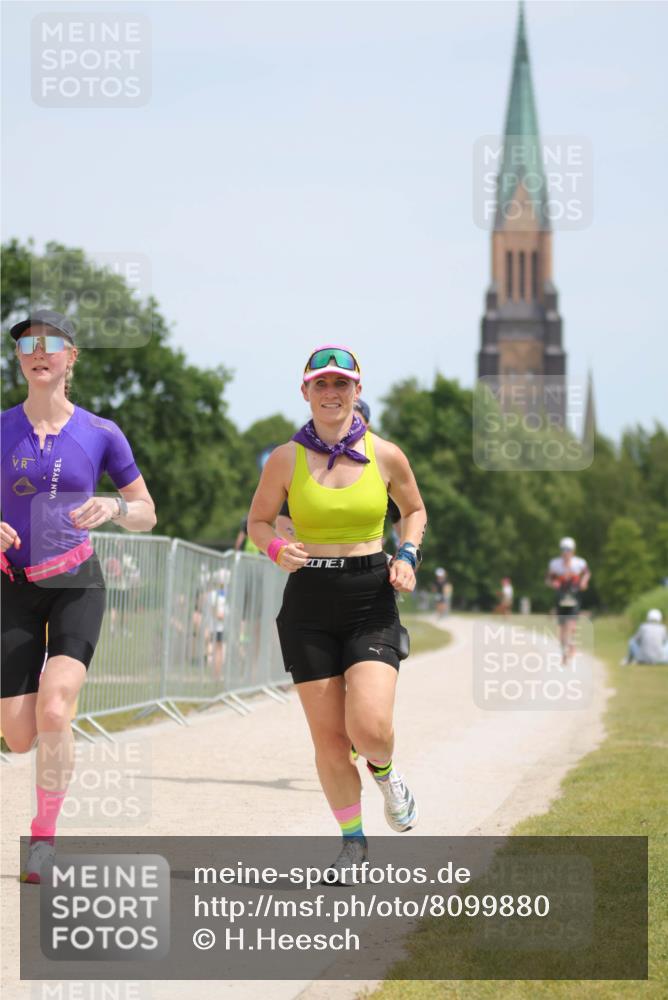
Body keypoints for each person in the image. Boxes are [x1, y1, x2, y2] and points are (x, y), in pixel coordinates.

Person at [247, 346, 427, 883]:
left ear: (356, 390)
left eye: (341, 384)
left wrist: (408, 556)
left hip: (370, 595)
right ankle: (353, 844)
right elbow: (259, 521)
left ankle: (387, 775)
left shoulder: (386, 454)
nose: (332, 393)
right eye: (321, 384)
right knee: (328, 742)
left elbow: (414, 510)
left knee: (369, 729)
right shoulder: (285, 459)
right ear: (306, 392)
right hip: (308, 603)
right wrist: (277, 550)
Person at [1, 310, 156, 883]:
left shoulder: (101, 432)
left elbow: (146, 511)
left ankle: (43, 840)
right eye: (26, 345)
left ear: (71, 358)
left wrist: (115, 507)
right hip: (12, 585)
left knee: (55, 706)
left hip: (76, 581)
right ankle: (49, 741)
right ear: (20, 360)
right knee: (19, 736)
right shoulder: (0, 428)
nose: (38, 352)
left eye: (51, 344)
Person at [546, 537, 590, 665]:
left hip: (574, 597)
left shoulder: (579, 563)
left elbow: (587, 573)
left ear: (573, 551)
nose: (566, 552)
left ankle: (570, 646)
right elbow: (548, 579)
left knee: (571, 626)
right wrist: (552, 583)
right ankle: (564, 652)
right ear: (560, 551)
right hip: (560, 598)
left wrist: (583, 582)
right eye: (563, 550)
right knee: (561, 628)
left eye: (568, 550)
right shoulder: (555, 564)